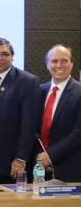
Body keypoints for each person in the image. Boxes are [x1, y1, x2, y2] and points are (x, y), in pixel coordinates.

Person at [0, 37, 39, 184]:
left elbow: (29, 125)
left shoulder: (28, 81)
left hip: (9, 162)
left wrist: (20, 158)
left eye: (4, 54)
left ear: (12, 57)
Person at [34, 45, 81, 182]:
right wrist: (40, 157)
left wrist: (50, 156)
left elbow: (78, 133)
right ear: (47, 65)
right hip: (38, 167)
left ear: (71, 64)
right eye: (54, 61)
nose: (59, 65)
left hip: (69, 167)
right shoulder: (38, 91)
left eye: (64, 60)